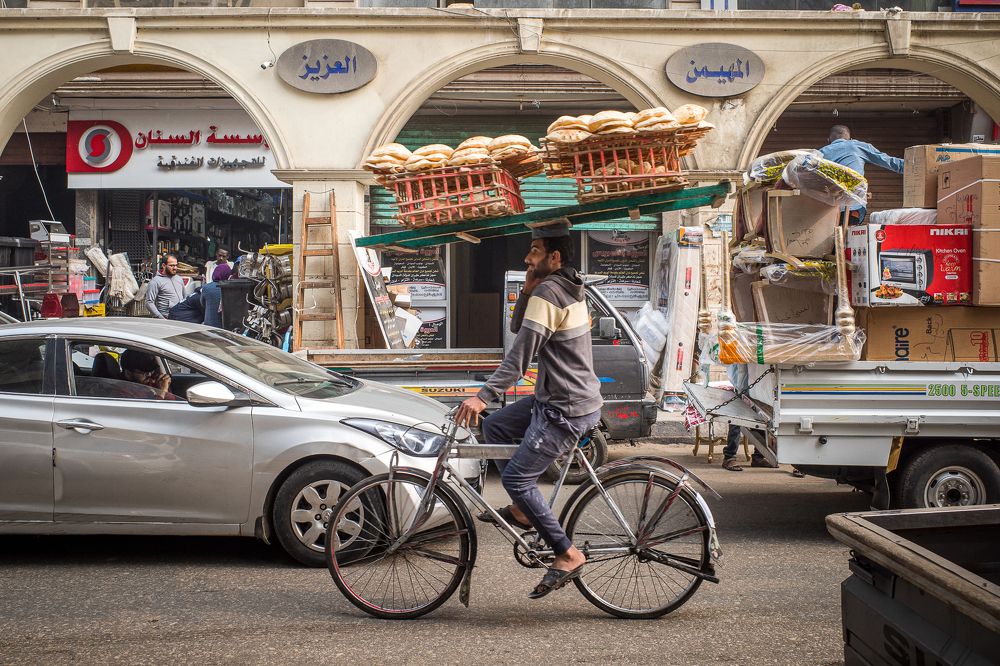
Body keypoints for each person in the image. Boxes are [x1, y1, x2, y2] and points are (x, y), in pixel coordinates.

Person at [455, 222, 602, 600]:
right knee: (496, 428)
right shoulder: (565, 284)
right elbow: (519, 325)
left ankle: (567, 554)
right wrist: (526, 288)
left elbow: (519, 356)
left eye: (534, 250)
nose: (526, 257)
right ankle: (524, 511)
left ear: (555, 256)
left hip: (565, 406)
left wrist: (483, 396)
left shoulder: (552, 292)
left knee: (517, 479)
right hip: (563, 397)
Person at [819, 125, 904, 224]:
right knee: (849, 230)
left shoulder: (820, 153)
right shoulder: (856, 145)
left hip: (825, 210)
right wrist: (912, 166)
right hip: (853, 207)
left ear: (828, 141)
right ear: (850, 139)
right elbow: (888, 161)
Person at [145, 254, 185, 319]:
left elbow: (185, 298)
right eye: (171, 265)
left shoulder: (179, 279)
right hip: (166, 318)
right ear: (164, 265)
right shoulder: (156, 281)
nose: (175, 268)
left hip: (180, 317)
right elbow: (149, 302)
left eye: (176, 265)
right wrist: (161, 318)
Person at [201, 263, 232, 328]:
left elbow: (203, 304)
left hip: (209, 325)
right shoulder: (230, 289)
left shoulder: (206, 287)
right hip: (224, 327)